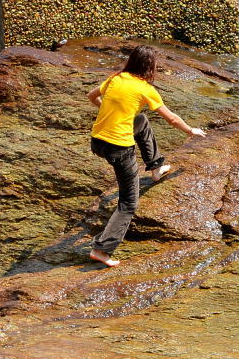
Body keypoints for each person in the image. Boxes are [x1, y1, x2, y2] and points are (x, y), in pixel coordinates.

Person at [86, 45, 205, 267]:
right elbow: (172, 119)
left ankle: (156, 166)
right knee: (129, 202)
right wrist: (191, 131)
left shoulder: (116, 78)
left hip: (97, 141)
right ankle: (102, 249)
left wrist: (111, 113)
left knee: (140, 120)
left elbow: (92, 96)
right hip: (118, 148)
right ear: (150, 67)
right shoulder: (145, 89)